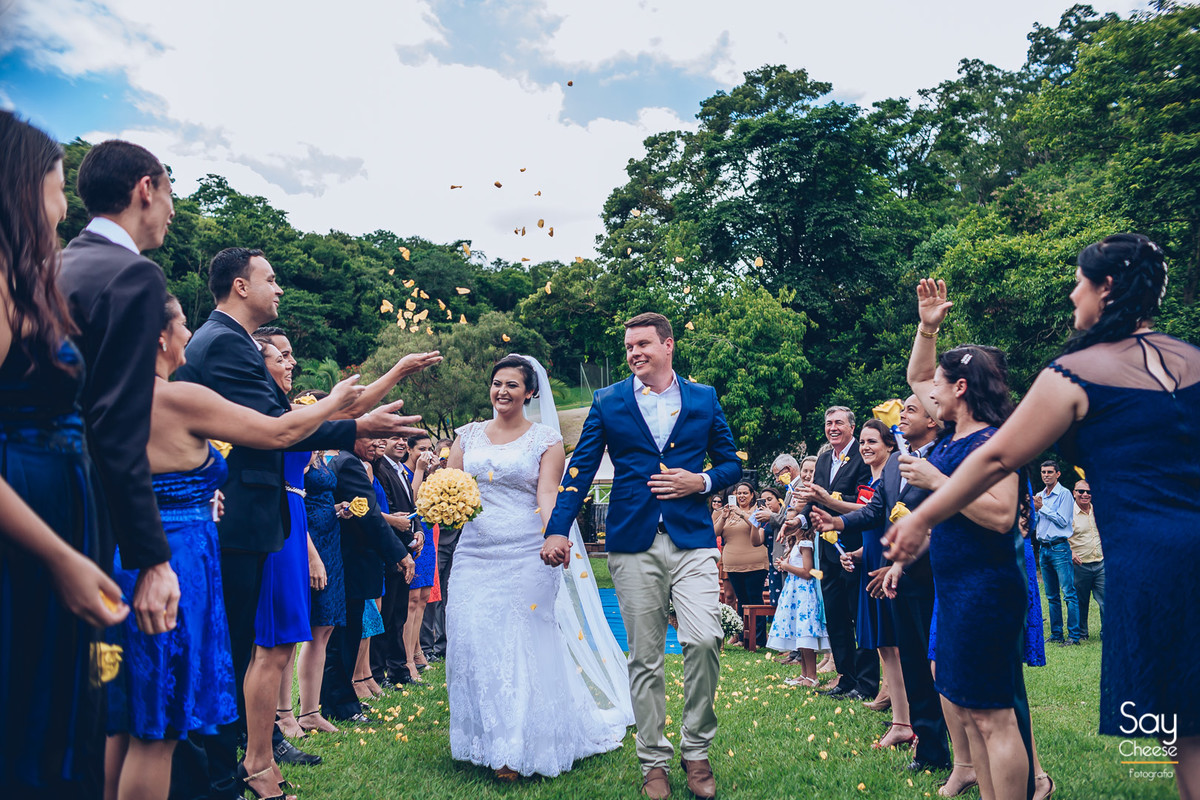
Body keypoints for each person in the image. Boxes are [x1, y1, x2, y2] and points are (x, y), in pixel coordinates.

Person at [172, 246, 427, 800]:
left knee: (242, 648)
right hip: (238, 517)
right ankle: (221, 777)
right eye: (271, 278)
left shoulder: (230, 343)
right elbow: (272, 429)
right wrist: (350, 423)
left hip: (254, 519)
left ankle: (238, 766)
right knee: (233, 652)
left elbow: (304, 419)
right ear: (241, 286)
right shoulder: (224, 345)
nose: (280, 288)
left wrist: (363, 409)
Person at [104, 296, 364, 800]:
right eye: (182, 324)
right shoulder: (178, 398)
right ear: (159, 338)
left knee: (128, 713)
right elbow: (280, 430)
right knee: (160, 726)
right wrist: (336, 401)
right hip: (179, 560)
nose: (190, 335)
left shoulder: (112, 397)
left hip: (134, 553)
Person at [544, 313, 742, 800]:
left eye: (643, 345)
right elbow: (581, 469)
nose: (634, 353)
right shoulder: (608, 401)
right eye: (629, 346)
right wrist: (556, 529)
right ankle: (653, 760)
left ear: (668, 345)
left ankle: (696, 749)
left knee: (703, 638)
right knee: (646, 658)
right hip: (632, 542)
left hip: (693, 537)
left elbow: (733, 462)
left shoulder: (704, 398)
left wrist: (702, 481)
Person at [0, 110, 130, 799]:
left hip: (51, 513)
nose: (61, 206)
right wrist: (58, 555)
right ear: (21, 189)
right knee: (25, 711)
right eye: (55, 187)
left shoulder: (25, 279)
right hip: (24, 529)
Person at [446, 354, 632, 780]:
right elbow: (450, 485)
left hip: (526, 552)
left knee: (520, 641)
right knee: (473, 641)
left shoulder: (545, 440)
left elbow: (548, 494)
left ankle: (516, 748)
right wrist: (439, 506)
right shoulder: (467, 436)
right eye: (496, 383)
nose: (502, 391)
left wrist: (556, 534)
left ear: (530, 392)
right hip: (474, 554)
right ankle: (485, 737)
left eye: (512, 384)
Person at [885, 279, 1037, 800]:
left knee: (994, 719)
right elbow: (918, 372)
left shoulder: (997, 440)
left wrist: (936, 482)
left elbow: (999, 517)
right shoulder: (955, 434)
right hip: (954, 591)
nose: (930, 394)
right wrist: (927, 327)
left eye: (942, 387)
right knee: (971, 715)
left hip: (986, 591)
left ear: (962, 389)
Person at [58, 139, 179, 638]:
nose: (173, 213)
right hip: (84, 505)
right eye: (172, 195)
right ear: (145, 189)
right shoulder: (132, 275)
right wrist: (151, 557)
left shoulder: (56, 267)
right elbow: (118, 425)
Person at [249, 335, 319, 744]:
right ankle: (271, 730)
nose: (291, 363)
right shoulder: (269, 413)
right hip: (278, 519)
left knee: (289, 632)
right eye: (282, 357)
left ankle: (283, 721)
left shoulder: (288, 410)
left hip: (295, 515)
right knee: (272, 635)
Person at [829, 420, 915, 749]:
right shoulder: (872, 482)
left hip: (894, 570)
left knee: (898, 646)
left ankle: (909, 717)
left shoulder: (896, 480)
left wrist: (831, 508)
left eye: (872, 441)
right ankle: (901, 718)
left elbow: (882, 522)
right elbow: (873, 528)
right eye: (862, 442)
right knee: (883, 645)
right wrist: (858, 554)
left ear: (890, 446)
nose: (865, 447)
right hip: (873, 567)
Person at [322, 437, 415, 722]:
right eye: (371, 436)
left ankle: (339, 699)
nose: (378, 443)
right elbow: (371, 517)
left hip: (358, 559)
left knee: (350, 632)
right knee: (344, 635)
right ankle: (339, 702)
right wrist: (400, 554)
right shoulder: (349, 464)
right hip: (353, 558)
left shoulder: (353, 462)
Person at [799, 406, 877, 701]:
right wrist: (799, 520)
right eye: (828, 422)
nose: (832, 427)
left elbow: (864, 500)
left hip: (855, 546)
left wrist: (827, 498)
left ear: (851, 427)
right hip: (826, 548)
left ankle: (867, 682)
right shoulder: (822, 459)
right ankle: (845, 677)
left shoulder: (863, 454)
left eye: (838, 423)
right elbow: (813, 501)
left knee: (860, 614)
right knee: (835, 614)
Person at [370, 435, 420, 688]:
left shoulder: (401, 470)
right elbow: (386, 510)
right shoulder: (380, 469)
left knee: (398, 612)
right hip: (390, 547)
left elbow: (412, 506)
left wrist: (418, 532)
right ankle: (378, 673)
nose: (400, 442)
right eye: (393, 437)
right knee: (386, 614)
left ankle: (399, 670)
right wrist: (404, 542)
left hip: (405, 544)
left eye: (403, 438)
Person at [766, 513, 827, 687]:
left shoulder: (805, 544)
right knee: (799, 635)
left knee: (805, 634)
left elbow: (808, 572)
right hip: (794, 591)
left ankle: (812, 676)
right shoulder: (795, 544)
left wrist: (787, 567)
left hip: (803, 593)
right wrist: (785, 564)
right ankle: (804, 674)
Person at [713, 481, 769, 647]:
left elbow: (757, 526)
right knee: (741, 601)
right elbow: (714, 533)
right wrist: (723, 517)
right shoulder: (725, 512)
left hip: (756, 563)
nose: (742, 496)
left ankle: (759, 639)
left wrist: (742, 514)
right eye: (739, 493)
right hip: (732, 563)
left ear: (752, 495)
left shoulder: (757, 510)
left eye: (745, 493)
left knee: (755, 599)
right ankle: (744, 637)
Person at [401, 434, 436, 683]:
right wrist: (421, 471)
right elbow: (411, 501)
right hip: (412, 532)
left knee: (423, 596)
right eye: (421, 448)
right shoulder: (405, 471)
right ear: (410, 450)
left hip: (427, 533)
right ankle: (407, 659)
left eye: (429, 448)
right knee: (411, 599)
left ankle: (418, 650)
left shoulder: (430, 473)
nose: (426, 452)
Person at [1035, 460, 1081, 646]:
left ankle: (1074, 636)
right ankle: (1056, 634)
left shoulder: (1064, 495)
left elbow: (1063, 521)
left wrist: (1042, 508)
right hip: (1043, 548)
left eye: (1050, 472)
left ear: (1058, 474)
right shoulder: (1039, 496)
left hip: (1060, 548)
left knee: (1068, 593)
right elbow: (1036, 522)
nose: (1046, 475)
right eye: (1043, 472)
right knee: (1051, 595)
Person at [1070, 481, 1104, 641]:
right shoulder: (1068, 513)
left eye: (1088, 492)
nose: (1085, 494)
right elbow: (1060, 536)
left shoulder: (1099, 511)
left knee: (1106, 601)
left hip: (1101, 564)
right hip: (1080, 565)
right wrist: (1070, 552)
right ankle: (1082, 634)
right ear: (1074, 493)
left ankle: (1108, 633)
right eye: (1081, 491)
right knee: (1081, 602)